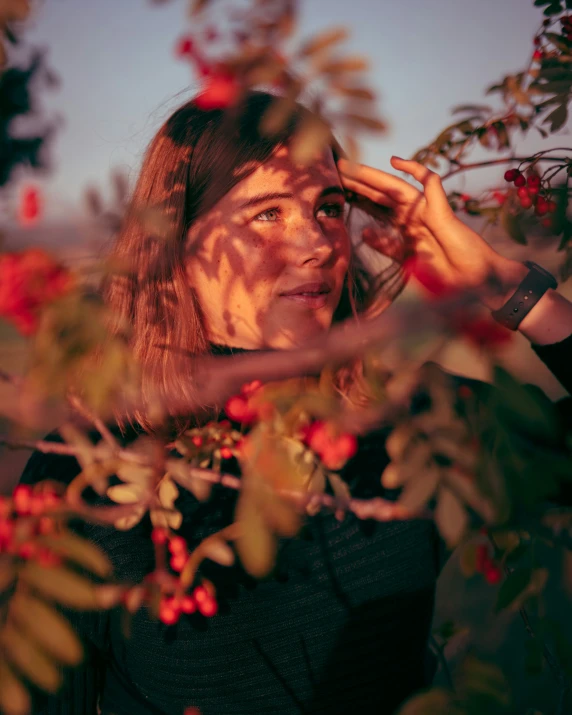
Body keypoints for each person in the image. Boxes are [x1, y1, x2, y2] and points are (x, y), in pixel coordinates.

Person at [19, 90, 572, 715]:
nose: (316, 242)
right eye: (268, 214)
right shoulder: (93, 469)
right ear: (179, 245)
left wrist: (506, 286)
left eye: (330, 207)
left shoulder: (418, 424)